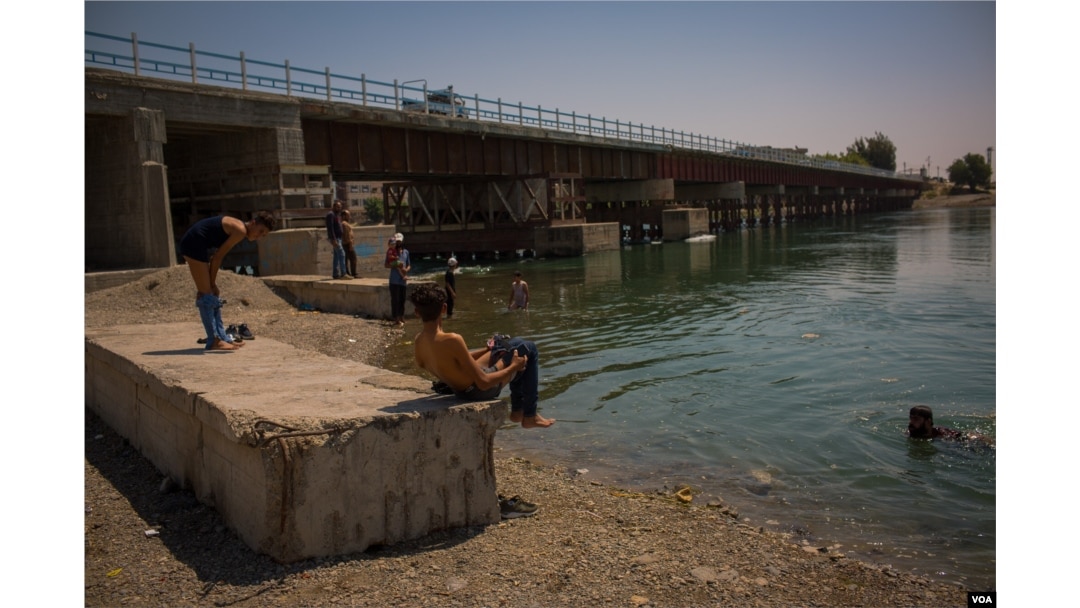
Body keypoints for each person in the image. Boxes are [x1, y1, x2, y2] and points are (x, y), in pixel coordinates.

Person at [410, 283, 555, 429]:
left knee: (510, 343)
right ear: (444, 308)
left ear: (417, 312)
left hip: (460, 389)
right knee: (529, 348)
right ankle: (529, 415)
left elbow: (452, 361)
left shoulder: (419, 341)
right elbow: (484, 382)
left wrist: (487, 350)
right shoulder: (452, 339)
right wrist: (513, 367)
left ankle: (518, 411)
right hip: (479, 390)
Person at [178, 212, 275, 351]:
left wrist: (213, 284)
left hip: (198, 245)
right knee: (206, 296)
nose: (259, 236)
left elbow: (215, 257)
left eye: (263, 235)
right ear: (253, 223)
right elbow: (217, 258)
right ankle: (213, 341)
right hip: (193, 244)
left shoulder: (239, 228)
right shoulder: (240, 230)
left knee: (213, 296)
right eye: (260, 231)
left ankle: (222, 337)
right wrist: (211, 284)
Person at [907, 405, 992, 444]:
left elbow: (968, 435)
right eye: (911, 418)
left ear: (928, 421)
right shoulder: (911, 432)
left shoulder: (942, 432)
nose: (911, 422)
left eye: (916, 419)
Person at [386, 233, 411, 327]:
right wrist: (396, 265)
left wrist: (406, 270)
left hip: (403, 281)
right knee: (395, 300)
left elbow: (409, 265)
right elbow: (386, 265)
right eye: (397, 241)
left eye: (400, 241)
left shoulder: (406, 252)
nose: (398, 243)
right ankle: (396, 318)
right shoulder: (392, 252)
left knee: (402, 299)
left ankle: (401, 317)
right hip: (394, 280)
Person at [325, 200, 347, 279]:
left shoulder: (337, 215)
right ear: (334, 206)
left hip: (338, 238)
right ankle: (343, 273)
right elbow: (330, 228)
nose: (339, 208)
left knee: (336, 256)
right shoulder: (331, 215)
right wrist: (333, 239)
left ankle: (335, 274)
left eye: (340, 207)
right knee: (342, 254)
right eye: (337, 207)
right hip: (335, 239)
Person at [340, 209, 356, 278]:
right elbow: (347, 235)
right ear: (344, 216)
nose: (349, 216)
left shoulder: (345, 224)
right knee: (353, 258)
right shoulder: (344, 224)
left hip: (345, 243)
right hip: (347, 244)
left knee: (346, 259)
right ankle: (352, 273)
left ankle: (349, 273)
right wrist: (350, 244)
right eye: (348, 215)